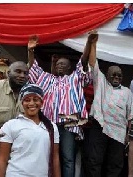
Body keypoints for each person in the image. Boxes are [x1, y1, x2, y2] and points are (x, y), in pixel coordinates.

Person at [27, 33, 94, 177]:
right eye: (58, 64)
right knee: (47, 156)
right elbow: (33, 69)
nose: (59, 66)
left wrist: (88, 43)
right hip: (48, 124)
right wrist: (30, 51)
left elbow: (83, 62)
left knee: (68, 158)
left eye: (63, 64)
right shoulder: (47, 78)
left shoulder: (74, 78)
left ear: (70, 68)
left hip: (68, 125)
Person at [83, 32, 133, 177]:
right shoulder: (101, 83)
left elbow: (130, 115)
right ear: (107, 75)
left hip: (119, 131)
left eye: (119, 75)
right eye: (113, 74)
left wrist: (128, 135)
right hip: (100, 126)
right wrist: (93, 44)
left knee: (115, 164)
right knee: (94, 161)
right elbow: (93, 64)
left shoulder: (127, 92)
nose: (116, 77)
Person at [0, 84, 60, 177]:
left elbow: (55, 158)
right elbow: (2, 160)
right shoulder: (10, 126)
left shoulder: (52, 127)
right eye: (27, 100)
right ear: (22, 103)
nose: (31, 103)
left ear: (42, 102)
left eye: (35, 100)